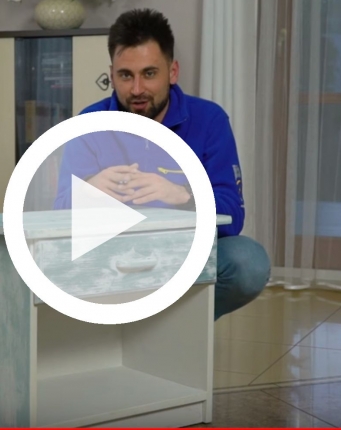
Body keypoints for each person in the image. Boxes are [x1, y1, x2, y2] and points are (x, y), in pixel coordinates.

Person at [52, 8, 270, 320]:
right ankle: (128, 326)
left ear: (173, 72)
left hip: (182, 256)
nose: (137, 89)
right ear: (111, 74)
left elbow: (232, 216)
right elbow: (57, 217)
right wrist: (86, 191)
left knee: (248, 262)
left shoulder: (209, 119)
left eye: (149, 74)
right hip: (113, 258)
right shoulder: (89, 123)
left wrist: (183, 195)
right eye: (126, 75)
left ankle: (177, 325)